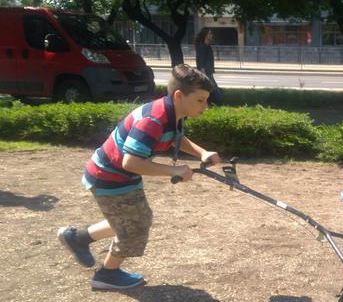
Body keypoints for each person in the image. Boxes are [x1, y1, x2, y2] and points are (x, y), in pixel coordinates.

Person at [57, 64, 221, 290]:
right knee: (136, 227)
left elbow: (175, 137)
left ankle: (77, 238)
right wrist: (174, 170)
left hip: (117, 175)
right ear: (179, 95)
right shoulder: (154, 120)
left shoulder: (172, 112)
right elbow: (131, 162)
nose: (205, 107)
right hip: (109, 176)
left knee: (134, 217)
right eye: (201, 100)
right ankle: (107, 275)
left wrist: (201, 152)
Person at [194, 27, 223, 105]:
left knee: (208, 91)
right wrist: (204, 76)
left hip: (208, 73)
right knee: (217, 92)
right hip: (206, 74)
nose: (211, 35)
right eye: (209, 33)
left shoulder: (207, 46)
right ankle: (219, 105)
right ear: (205, 35)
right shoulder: (202, 47)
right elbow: (201, 63)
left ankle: (207, 104)